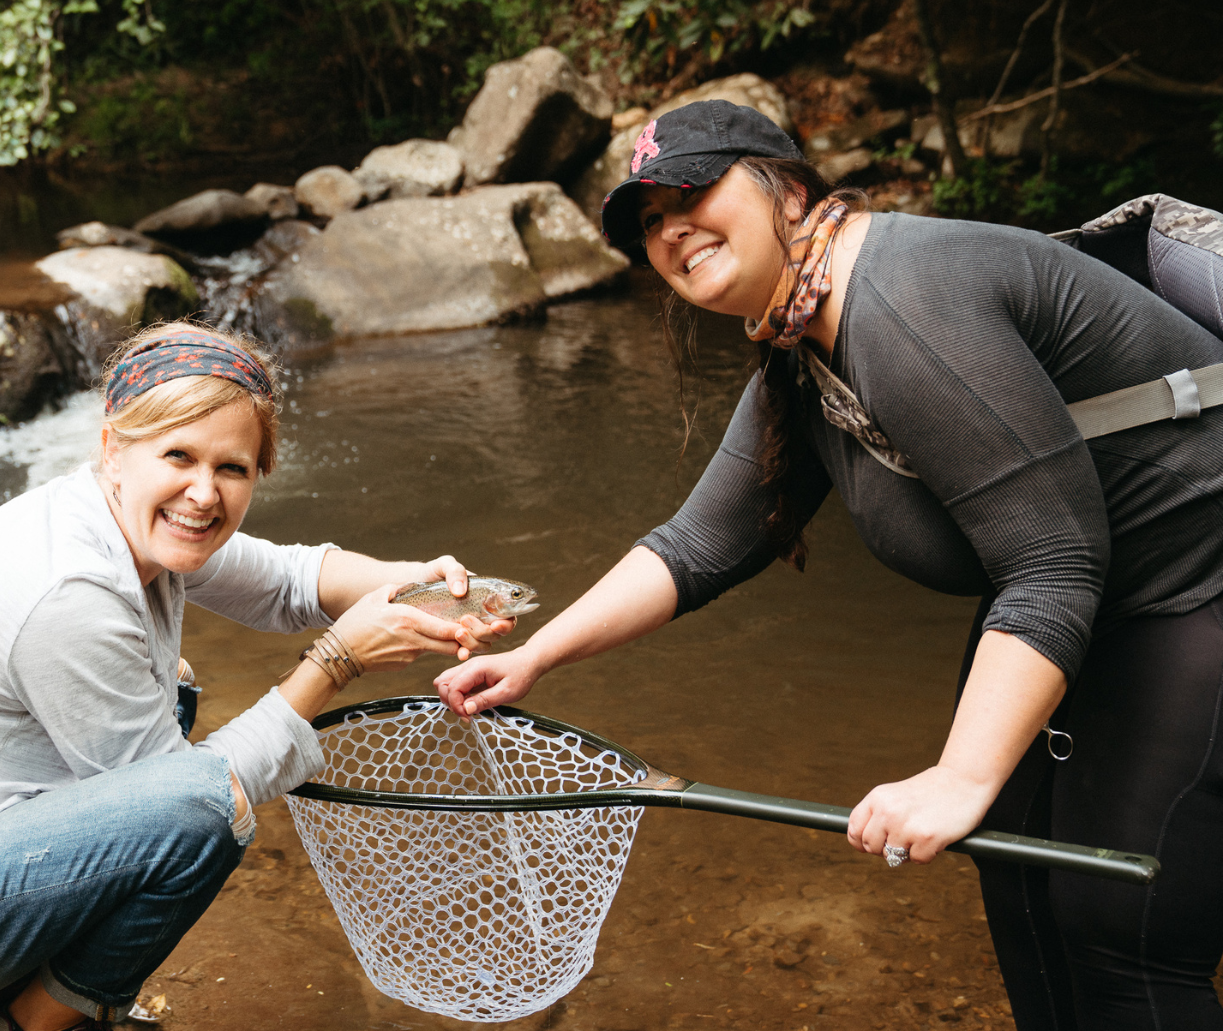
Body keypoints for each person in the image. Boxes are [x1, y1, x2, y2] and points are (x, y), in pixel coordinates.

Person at [434, 99, 1223, 1030]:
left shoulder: (898, 293)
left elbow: (1051, 562)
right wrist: (536, 657)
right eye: (648, 221)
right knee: (1023, 898)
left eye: (694, 189)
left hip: (1192, 587)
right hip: (1084, 604)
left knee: (1120, 932)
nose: (670, 226)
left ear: (789, 188)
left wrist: (959, 776)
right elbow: (700, 544)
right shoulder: (799, 343)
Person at [0, 322, 513, 1031]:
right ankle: (18, 1024)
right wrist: (337, 659)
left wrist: (420, 584)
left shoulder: (118, 518)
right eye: (179, 457)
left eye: (232, 469)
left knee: (172, 696)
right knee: (203, 810)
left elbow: (286, 580)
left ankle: (21, 993)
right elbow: (191, 802)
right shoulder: (69, 589)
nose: (204, 493)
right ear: (114, 447)